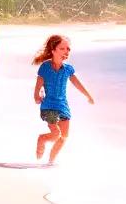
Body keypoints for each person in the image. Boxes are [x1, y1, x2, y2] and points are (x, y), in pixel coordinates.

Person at [33, 34, 94, 164]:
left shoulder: (68, 69)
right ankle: (42, 139)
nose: (66, 52)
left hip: (63, 106)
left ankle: (50, 162)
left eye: (68, 49)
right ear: (53, 50)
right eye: (62, 48)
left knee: (64, 137)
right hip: (48, 106)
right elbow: (38, 84)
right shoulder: (45, 67)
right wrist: (36, 95)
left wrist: (88, 95)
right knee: (55, 134)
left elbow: (77, 83)